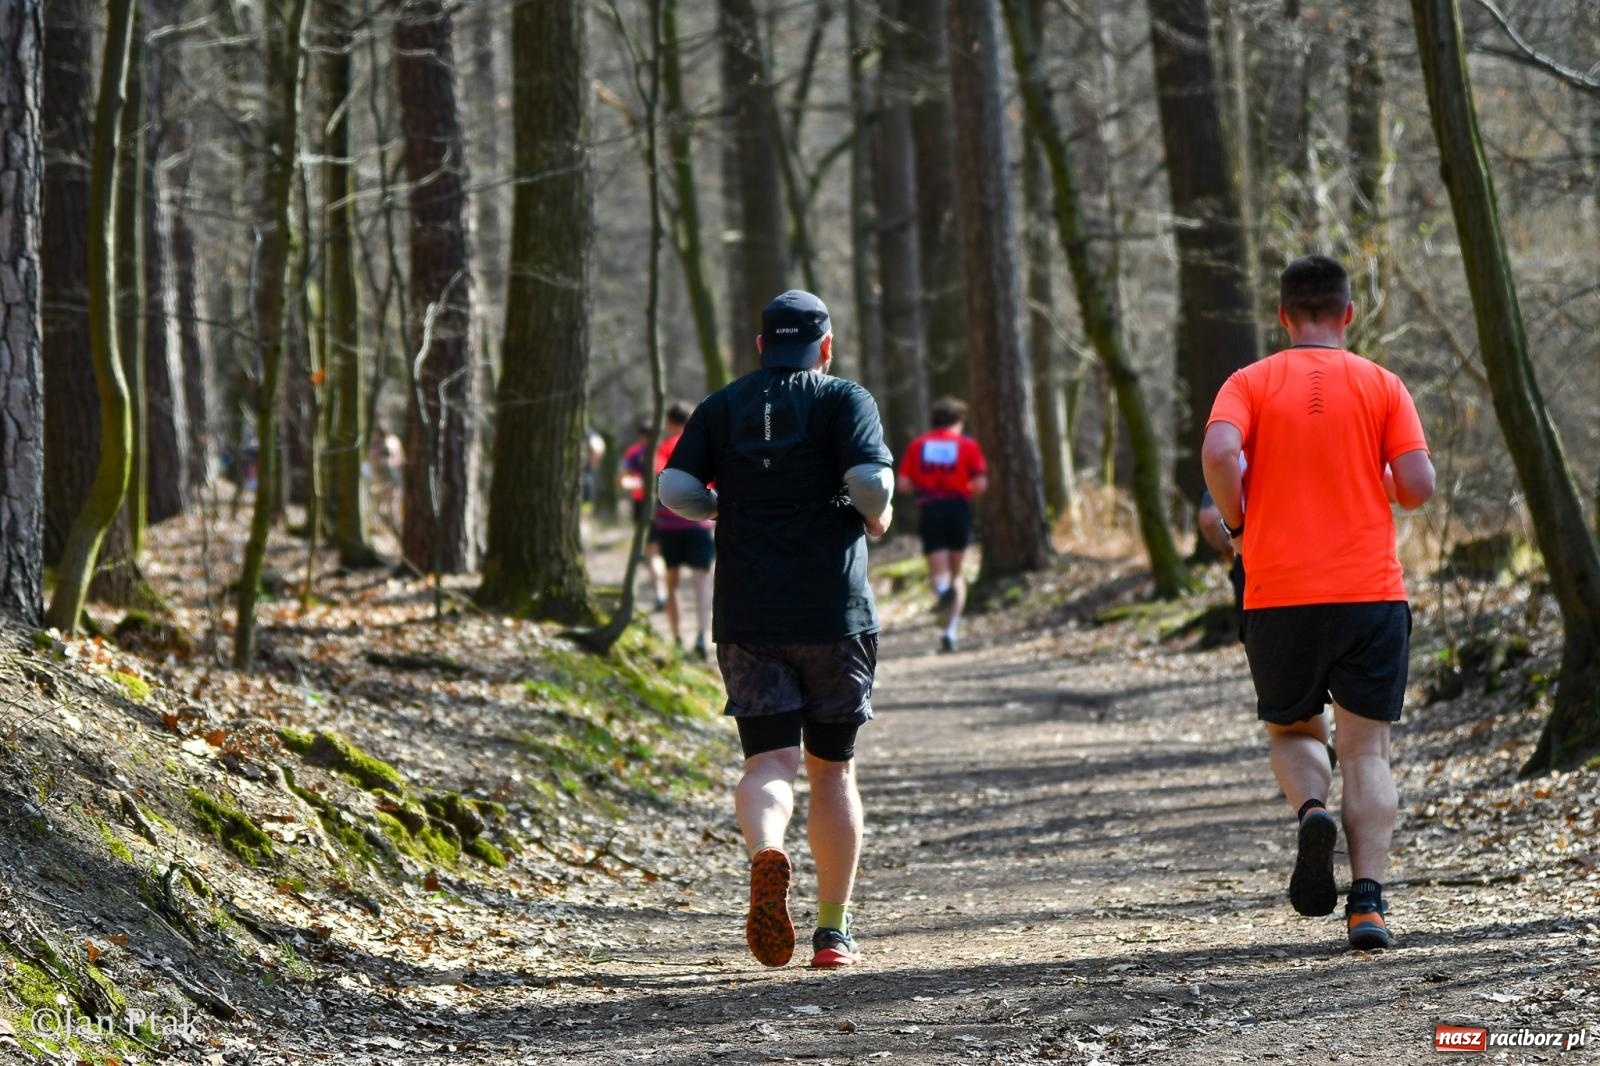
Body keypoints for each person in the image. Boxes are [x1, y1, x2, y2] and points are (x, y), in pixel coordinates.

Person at [1201, 255, 1434, 952]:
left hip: (1278, 592)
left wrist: (1238, 522)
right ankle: (1368, 905)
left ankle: (1310, 813)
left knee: (1295, 731)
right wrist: (1383, 479)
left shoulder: (1249, 382)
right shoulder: (1382, 384)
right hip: (1370, 593)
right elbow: (1418, 484)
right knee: (1367, 752)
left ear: (1283, 316)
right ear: (1347, 314)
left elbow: (1219, 451)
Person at [658, 289, 894, 969]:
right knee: (832, 772)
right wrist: (873, 517)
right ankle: (832, 933)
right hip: (832, 614)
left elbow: (674, 489)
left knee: (767, 763)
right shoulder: (844, 399)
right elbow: (870, 481)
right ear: (825, 347)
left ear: (762, 346)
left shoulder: (723, 405)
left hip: (748, 613)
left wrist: (717, 509)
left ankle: (768, 852)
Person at [897, 397, 988, 653]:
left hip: (931, 509)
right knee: (958, 573)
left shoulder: (918, 445)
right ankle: (951, 631)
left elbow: (903, 484)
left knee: (939, 572)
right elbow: (981, 484)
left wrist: (923, 488)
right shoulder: (967, 445)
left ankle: (943, 592)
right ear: (958, 421)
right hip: (959, 508)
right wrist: (963, 487)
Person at [653, 402, 715, 658]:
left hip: (669, 524)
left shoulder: (663, 449)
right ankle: (701, 635)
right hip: (699, 524)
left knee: (672, 581)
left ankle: (677, 637)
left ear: (669, 422)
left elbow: (660, 482)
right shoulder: (705, 446)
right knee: (701, 582)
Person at [618, 421, 666, 610]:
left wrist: (637, 483)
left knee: (652, 553)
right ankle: (664, 592)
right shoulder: (664, 451)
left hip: (644, 506)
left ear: (640, 436)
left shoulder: (634, 452)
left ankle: (661, 592)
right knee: (660, 554)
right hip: (668, 506)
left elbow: (622, 481)